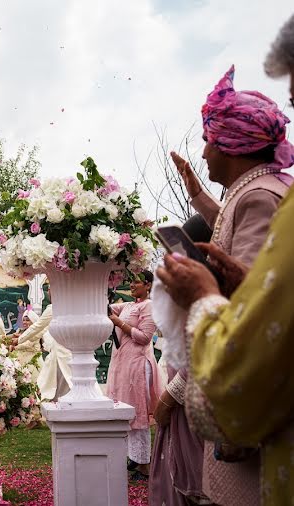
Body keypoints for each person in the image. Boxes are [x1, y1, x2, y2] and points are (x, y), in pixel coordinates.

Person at [157, 21, 294, 506]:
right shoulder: (254, 190)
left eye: (210, 140)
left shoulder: (259, 196)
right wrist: (196, 191)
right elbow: (245, 255)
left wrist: (203, 292)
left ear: (231, 146)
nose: (204, 149)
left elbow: (260, 307)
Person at [150, 214, 213, 506]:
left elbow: (202, 356)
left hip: (196, 404)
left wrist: (168, 398)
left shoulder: (211, 289)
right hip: (182, 405)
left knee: (201, 485)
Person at [107, 270, 161, 480]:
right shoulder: (129, 305)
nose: (132, 285)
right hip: (123, 364)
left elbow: (145, 337)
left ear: (148, 285)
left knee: (137, 414)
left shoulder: (149, 306)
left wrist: (119, 323)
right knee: (125, 412)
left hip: (138, 366)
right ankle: (133, 458)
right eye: (131, 281)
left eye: (136, 282)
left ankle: (143, 464)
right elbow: (109, 310)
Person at [26, 285, 73, 402]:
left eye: (50, 289)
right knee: (54, 389)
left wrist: (19, 339)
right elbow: (41, 331)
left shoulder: (53, 308)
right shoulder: (69, 307)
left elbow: (36, 327)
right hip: (58, 356)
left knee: (63, 389)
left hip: (64, 356)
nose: (48, 292)